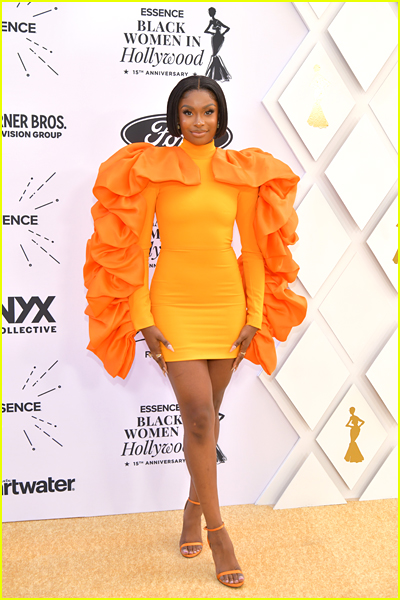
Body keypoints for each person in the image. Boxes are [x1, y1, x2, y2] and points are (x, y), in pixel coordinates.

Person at [84, 76, 307, 588]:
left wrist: (254, 316)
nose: (200, 121)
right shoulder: (153, 171)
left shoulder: (241, 173)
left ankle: (191, 505)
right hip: (174, 306)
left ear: (220, 116)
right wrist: (143, 320)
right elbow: (133, 253)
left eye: (208, 112)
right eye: (189, 112)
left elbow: (252, 251)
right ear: (175, 118)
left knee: (208, 418)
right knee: (201, 416)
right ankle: (219, 532)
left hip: (227, 307)